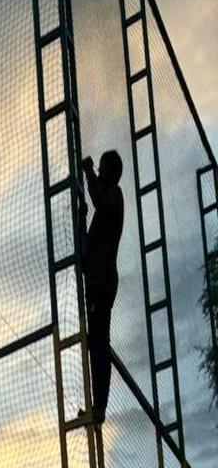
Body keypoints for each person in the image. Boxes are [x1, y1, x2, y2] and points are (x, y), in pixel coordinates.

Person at [79, 149, 125, 424]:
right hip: (95, 282)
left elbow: (99, 200)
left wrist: (87, 173)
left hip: (103, 283)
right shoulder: (104, 207)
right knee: (94, 342)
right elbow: (87, 250)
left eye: (102, 169)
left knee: (99, 345)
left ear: (112, 173)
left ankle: (100, 407)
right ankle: (96, 406)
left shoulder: (115, 196)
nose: (99, 172)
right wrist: (80, 216)